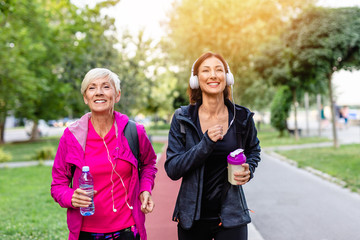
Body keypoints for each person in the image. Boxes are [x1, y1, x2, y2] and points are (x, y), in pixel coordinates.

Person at [51, 68, 157, 240]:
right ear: (85, 98)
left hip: (128, 230)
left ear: (117, 95)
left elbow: (148, 164)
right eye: (92, 88)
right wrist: (71, 197)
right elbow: (57, 185)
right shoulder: (71, 136)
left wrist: (145, 189)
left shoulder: (134, 132)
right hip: (85, 232)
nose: (99, 92)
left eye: (106, 87)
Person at [165, 52, 261, 240]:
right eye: (206, 70)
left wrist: (250, 168)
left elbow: (253, 150)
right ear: (196, 79)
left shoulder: (242, 117)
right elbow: (173, 169)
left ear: (227, 78)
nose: (213, 75)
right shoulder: (183, 118)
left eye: (219, 70)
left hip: (232, 216)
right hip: (192, 217)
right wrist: (206, 143)